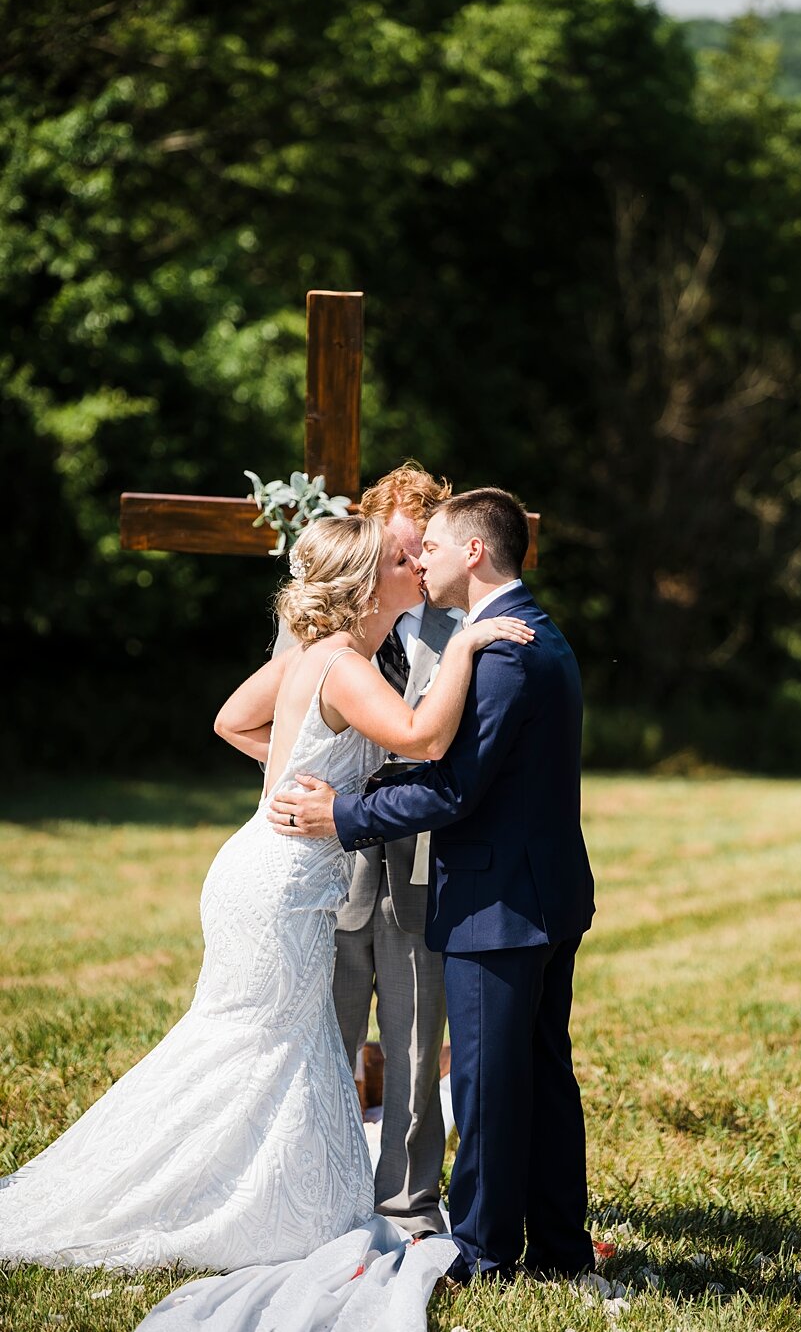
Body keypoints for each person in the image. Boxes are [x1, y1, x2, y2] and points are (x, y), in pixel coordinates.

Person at [0, 514, 532, 1271]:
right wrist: (470, 643)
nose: (418, 564)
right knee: (253, 1046)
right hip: (282, 885)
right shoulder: (347, 665)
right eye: (401, 558)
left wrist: (296, 781)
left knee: (263, 1046)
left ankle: (241, 1195)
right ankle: (175, 1199)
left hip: (257, 867)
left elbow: (231, 720)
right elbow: (425, 737)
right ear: (367, 581)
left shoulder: (317, 657)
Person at [267, 489, 596, 1285]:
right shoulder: (535, 636)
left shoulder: (506, 651)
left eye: (434, 550)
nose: (422, 563)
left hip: (499, 909)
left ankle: (483, 1255)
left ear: (475, 554)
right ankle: (558, 1249)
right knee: (542, 1078)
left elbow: (456, 792)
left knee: (487, 1089)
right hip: (541, 895)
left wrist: (344, 811)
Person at [284, 463, 461, 1239]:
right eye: (401, 551)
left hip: (421, 860)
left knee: (418, 1042)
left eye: (424, 550)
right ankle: (314, 1193)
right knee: (327, 1037)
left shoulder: (462, 627)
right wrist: (307, 788)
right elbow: (276, 721)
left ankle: (408, 1201)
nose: (417, 567)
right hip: (334, 861)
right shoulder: (326, 632)